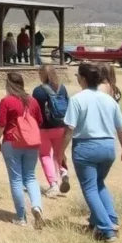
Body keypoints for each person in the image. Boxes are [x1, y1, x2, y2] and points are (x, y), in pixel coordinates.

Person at [61, 62, 122, 243]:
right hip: (108, 146)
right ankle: (111, 219)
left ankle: (107, 230)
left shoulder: (77, 99)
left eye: (77, 76)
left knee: (90, 188)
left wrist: (60, 152)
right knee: (98, 184)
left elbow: (69, 129)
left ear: (82, 78)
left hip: (85, 147)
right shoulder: (109, 100)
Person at [0, 72, 45, 229]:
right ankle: (36, 206)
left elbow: (1, 124)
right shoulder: (33, 101)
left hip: (12, 141)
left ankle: (21, 217)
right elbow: (39, 121)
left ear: (8, 84)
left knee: (16, 179)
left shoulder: (6, 101)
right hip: (32, 142)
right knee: (30, 176)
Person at [32, 65, 71, 197]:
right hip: (61, 126)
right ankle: (64, 172)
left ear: (43, 74)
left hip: (44, 128)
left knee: (45, 155)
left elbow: (35, 110)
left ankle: (53, 184)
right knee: (59, 152)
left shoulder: (38, 91)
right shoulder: (62, 88)